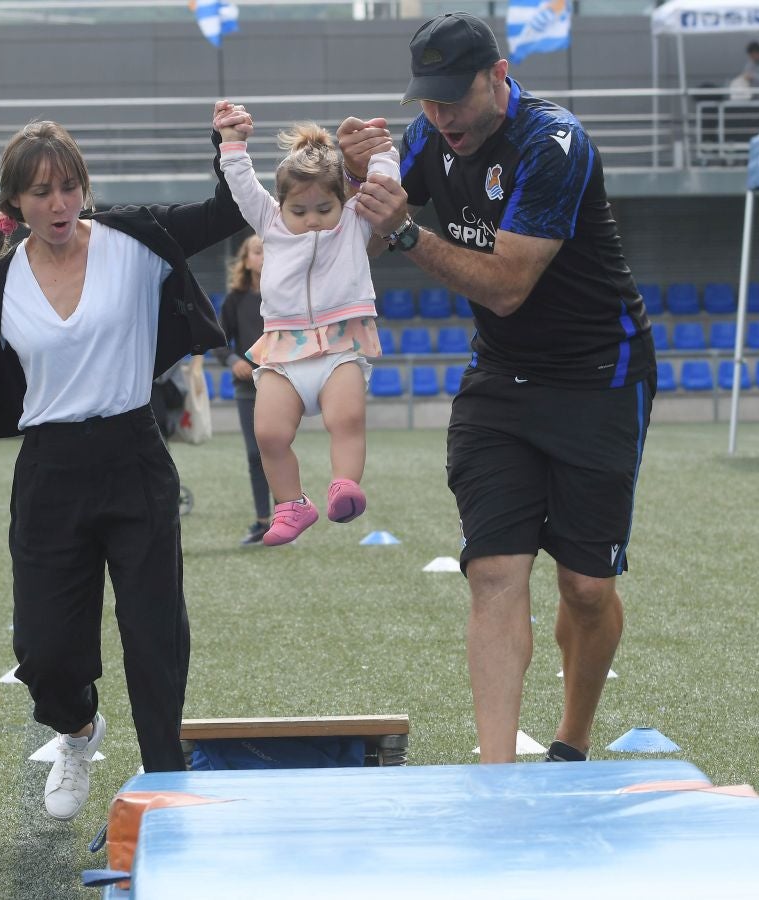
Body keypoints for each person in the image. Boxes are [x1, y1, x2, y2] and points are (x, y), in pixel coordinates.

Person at [0, 106, 251, 821]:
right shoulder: (0, 282)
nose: (58, 203)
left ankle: (163, 782)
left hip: (135, 457)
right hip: (50, 474)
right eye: (42, 191)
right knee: (45, 653)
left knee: (153, 635)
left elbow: (228, 210)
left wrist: (227, 144)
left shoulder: (135, 239)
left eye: (69, 186)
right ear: (14, 201)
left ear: (84, 186)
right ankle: (78, 733)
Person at [338, 12, 655, 765]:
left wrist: (408, 232)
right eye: (429, 100)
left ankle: (572, 740)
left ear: (500, 75)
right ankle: (497, 773)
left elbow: (507, 285)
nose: (443, 116)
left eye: (457, 98)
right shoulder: (425, 137)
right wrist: (357, 174)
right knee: (494, 570)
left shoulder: (554, 144)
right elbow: (367, 225)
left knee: (584, 588)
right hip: (499, 381)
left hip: (598, 379)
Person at [214, 101, 400, 546]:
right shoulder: (269, 221)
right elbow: (241, 186)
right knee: (269, 433)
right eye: (299, 210)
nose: (312, 220)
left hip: (339, 348)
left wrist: (383, 153)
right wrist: (232, 143)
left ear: (343, 200)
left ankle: (345, 485)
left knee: (347, 417)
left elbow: (384, 183)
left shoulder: (354, 223)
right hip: (283, 351)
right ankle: (292, 504)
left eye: (323, 208)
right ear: (281, 205)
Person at [216, 234, 275, 546]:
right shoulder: (234, 300)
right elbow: (219, 341)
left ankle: (287, 516)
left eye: (268, 250)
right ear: (246, 260)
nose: (262, 256)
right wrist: (232, 360)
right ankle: (263, 521)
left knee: (276, 450)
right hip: (247, 388)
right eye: (256, 252)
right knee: (255, 454)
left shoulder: (285, 295)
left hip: (279, 385)